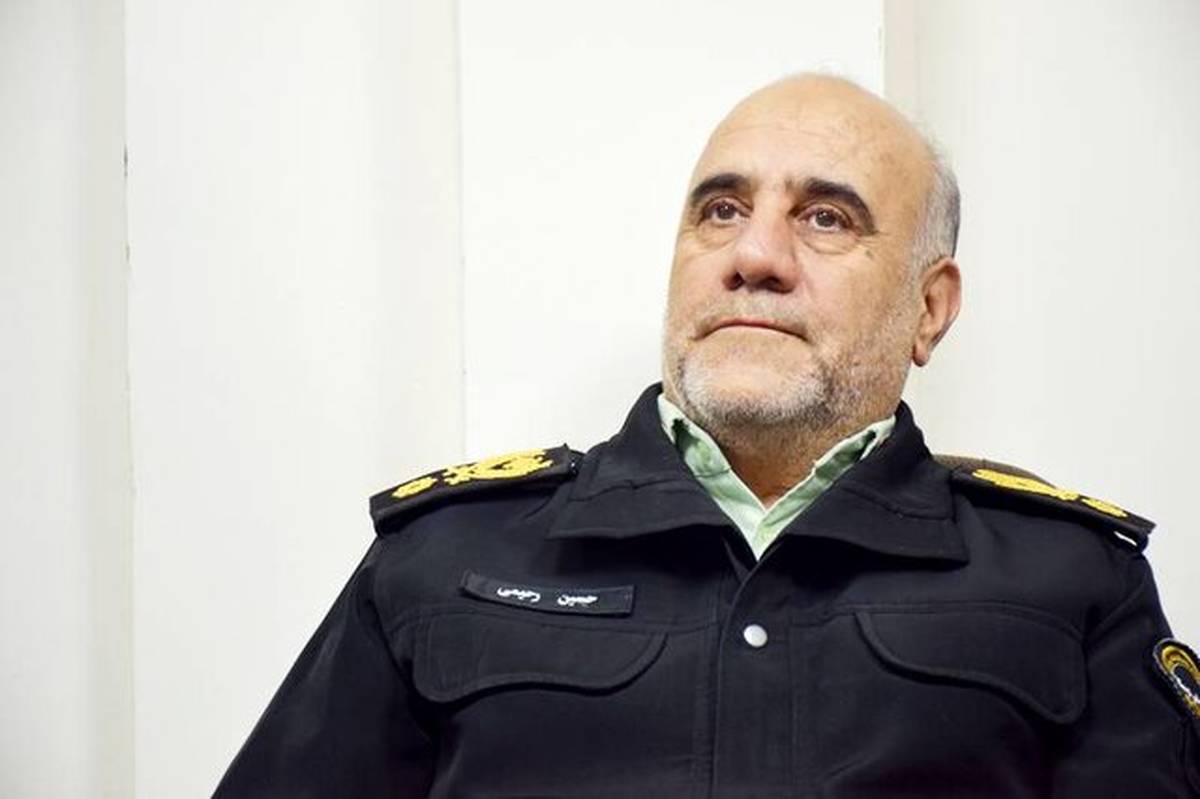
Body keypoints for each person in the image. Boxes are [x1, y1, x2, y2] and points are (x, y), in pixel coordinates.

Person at [214, 75, 1200, 797]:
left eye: (826, 219)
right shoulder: (442, 562)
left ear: (929, 308)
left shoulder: (1073, 584)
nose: (754, 255)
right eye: (721, 211)